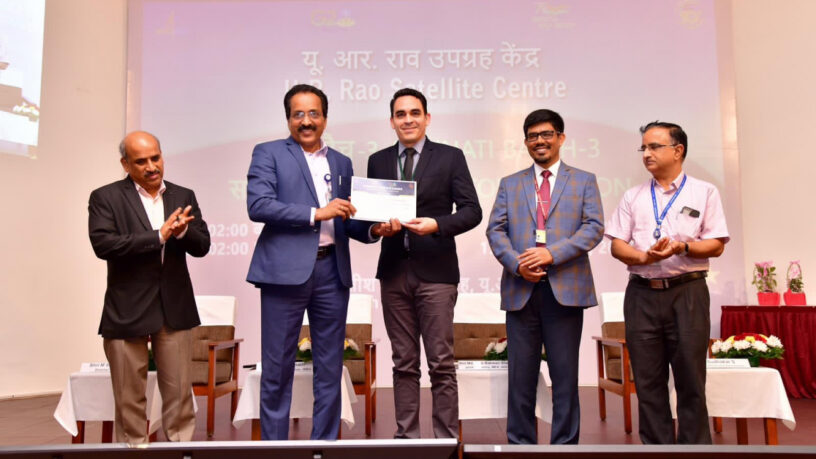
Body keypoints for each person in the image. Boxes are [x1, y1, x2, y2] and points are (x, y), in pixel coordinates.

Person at [246, 84, 374, 440]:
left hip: (332, 272)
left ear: (325, 119)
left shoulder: (342, 162)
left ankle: (324, 446)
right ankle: (275, 448)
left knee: (330, 368)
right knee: (277, 367)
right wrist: (316, 213)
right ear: (288, 119)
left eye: (313, 113)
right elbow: (259, 205)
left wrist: (375, 229)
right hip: (283, 274)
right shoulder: (269, 153)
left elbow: (348, 218)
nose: (306, 121)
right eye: (298, 114)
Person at [367, 88, 482, 438]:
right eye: (400, 114)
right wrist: (377, 228)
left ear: (427, 118)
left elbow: (472, 211)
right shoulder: (378, 161)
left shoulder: (450, 157)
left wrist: (437, 225)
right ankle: (406, 439)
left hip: (437, 272)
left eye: (414, 113)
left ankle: (445, 440)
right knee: (403, 362)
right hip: (393, 272)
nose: (408, 120)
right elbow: (368, 217)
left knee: (441, 363)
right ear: (392, 121)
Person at [605, 121, 729, 444]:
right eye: (643, 147)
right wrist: (644, 258)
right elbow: (617, 244)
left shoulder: (704, 192)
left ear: (678, 150)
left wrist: (682, 247)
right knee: (648, 383)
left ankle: (695, 451)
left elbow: (716, 243)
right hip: (642, 295)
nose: (646, 153)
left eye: (654, 146)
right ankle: (656, 451)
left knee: (691, 381)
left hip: (688, 292)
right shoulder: (633, 196)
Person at [486, 109, 603, 444]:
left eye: (547, 134)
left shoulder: (584, 180)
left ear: (561, 138)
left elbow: (593, 227)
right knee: (520, 379)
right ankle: (519, 447)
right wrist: (517, 264)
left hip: (565, 291)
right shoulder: (510, 183)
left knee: (564, 379)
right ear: (526, 142)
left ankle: (565, 448)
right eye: (533, 136)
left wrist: (552, 253)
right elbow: (495, 230)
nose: (540, 141)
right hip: (521, 290)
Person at [88, 131, 210, 444]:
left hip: (174, 308)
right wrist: (158, 236)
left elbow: (202, 245)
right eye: (141, 161)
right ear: (125, 164)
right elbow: (104, 245)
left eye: (155, 158)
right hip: (126, 309)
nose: (151, 166)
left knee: (180, 396)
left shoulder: (183, 195)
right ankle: (132, 449)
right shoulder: (105, 197)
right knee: (129, 398)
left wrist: (181, 233)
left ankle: (180, 449)